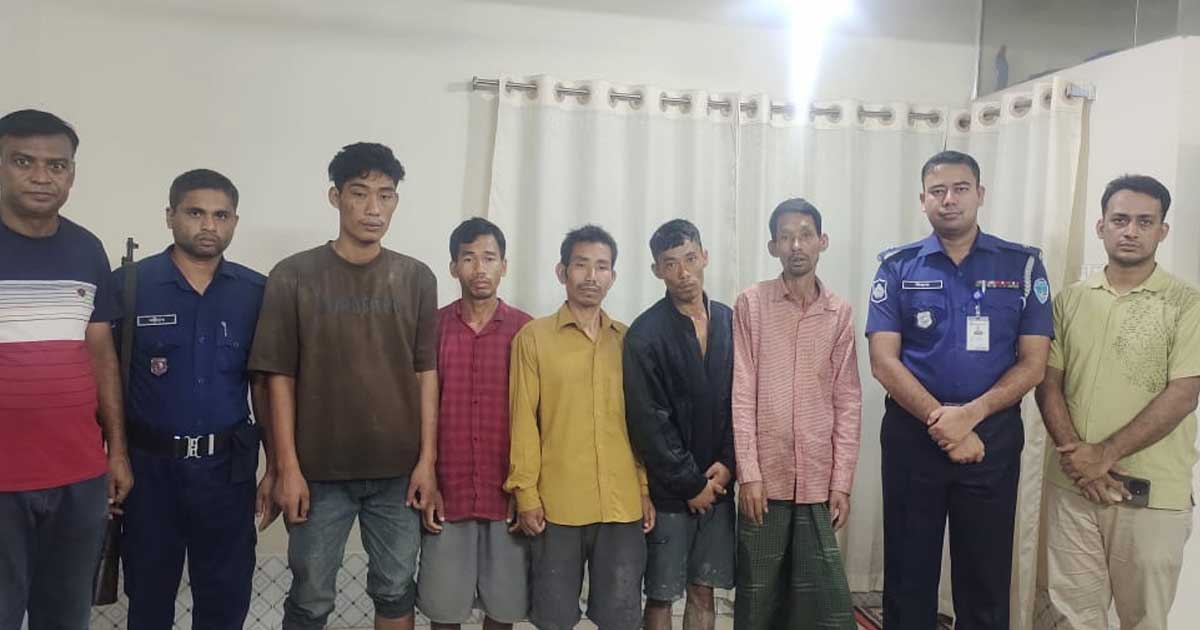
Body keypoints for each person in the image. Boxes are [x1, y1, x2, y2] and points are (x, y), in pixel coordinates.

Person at [248, 142, 439, 630]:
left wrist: (427, 462)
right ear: (335, 197)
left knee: (396, 591)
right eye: (360, 193)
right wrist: (285, 467)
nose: (374, 208)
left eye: (385, 195)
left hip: (397, 473)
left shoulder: (416, 277)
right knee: (311, 598)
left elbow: (426, 374)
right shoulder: (293, 275)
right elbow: (278, 378)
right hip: (318, 473)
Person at [866, 150, 1053, 630]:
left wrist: (969, 416)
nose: (949, 199)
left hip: (991, 438)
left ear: (980, 194)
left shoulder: (1023, 266)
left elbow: (1034, 363)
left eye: (960, 188)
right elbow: (883, 361)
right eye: (938, 191)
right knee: (907, 576)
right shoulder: (897, 267)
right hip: (913, 438)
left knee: (985, 577)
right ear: (923, 200)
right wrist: (943, 422)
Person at [1034, 175, 1200, 630]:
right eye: (1120, 219)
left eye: (1144, 222)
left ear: (1162, 230)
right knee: (1071, 618)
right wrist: (1079, 463)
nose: (1131, 231)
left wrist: (1104, 455)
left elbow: (1184, 394)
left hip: (1150, 494)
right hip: (1072, 490)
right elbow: (1048, 384)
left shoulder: (1188, 304)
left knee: (1144, 619)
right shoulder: (1070, 301)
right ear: (1101, 226)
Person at [114, 169, 272, 630]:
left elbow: (265, 384)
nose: (208, 225)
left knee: (224, 599)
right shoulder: (129, 285)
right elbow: (103, 377)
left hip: (227, 472)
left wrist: (277, 467)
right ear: (170, 216)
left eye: (221, 215)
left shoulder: (256, 292)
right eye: (195, 212)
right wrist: (112, 457)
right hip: (149, 471)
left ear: (235, 222)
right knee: (148, 597)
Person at [0, 109, 133, 630]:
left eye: (56, 165)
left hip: (78, 477)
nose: (41, 176)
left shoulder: (85, 249)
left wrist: (116, 451)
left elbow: (101, 355)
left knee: (65, 618)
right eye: (23, 162)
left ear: (72, 175)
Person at [505, 224, 654, 630]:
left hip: (621, 504)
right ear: (562, 272)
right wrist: (525, 493)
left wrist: (643, 489)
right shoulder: (533, 338)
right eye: (581, 265)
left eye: (602, 267)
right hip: (557, 504)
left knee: (621, 618)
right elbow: (523, 420)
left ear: (613, 276)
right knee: (554, 618)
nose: (591, 276)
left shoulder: (628, 341)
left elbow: (641, 424)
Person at [732, 198, 861, 630]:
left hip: (818, 481)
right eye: (785, 237)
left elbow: (848, 401)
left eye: (805, 235)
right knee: (759, 597)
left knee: (821, 603)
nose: (796, 246)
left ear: (823, 241)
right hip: (764, 481)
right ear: (773, 247)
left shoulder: (838, 313)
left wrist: (841, 482)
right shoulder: (752, 304)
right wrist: (749, 474)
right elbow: (741, 393)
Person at [416, 217, 532, 630]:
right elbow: (417, 411)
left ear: (504, 265)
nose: (480, 268)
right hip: (448, 492)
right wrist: (428, 478)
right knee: (444, 610)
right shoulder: (431, 328)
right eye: (468, 258)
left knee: (503, 610)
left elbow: (536, 418)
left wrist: (526, 489)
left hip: (507, 492)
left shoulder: (526, 331)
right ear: (453, 267)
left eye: (489, 258)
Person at [623, 219, 735, 630]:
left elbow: (741, 402)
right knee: (661, 593)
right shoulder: (644, 334)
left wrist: (729, 464)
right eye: (670, 264)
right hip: (670, 491)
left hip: (718, 484)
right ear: (657, 270)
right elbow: (648, 422)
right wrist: (690, 484)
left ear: (705, 256)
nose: (683, 272)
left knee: (704, 588)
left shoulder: (730, 321)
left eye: (690, 258)